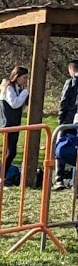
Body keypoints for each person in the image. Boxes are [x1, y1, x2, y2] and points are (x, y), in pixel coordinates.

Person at [0, 66, 29, 187]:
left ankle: (2, 178)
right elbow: (14, 104)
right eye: (24, 77)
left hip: (13, 123)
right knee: (10, 152)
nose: (25, 80)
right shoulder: (9, 88)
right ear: (17, 77)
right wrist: (26, 92)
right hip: (7, 124)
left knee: (10, 151)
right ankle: (0, 179)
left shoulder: (17, 88)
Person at [56, 60, 78, 188]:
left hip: (68, 119)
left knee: (61, 146)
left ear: (71, 70)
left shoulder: (70, 82)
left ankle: (59, 178)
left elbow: (64, 101)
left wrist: (61, 118)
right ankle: (75, 180)